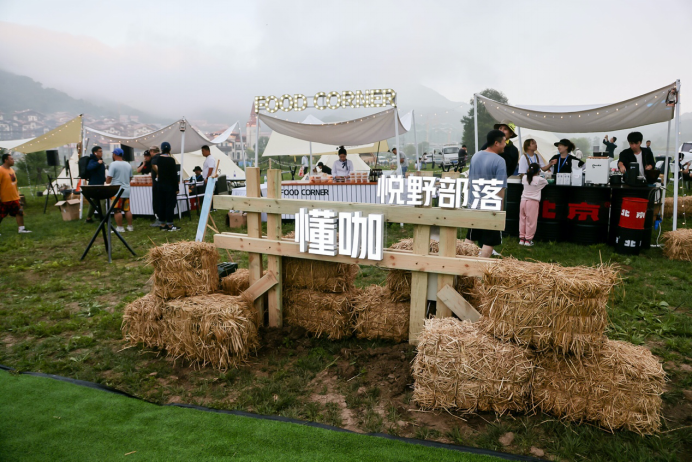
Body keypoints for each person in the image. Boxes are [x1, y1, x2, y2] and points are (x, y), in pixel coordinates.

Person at [465, 129, 508, 258]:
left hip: (474, 204)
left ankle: (463, 266)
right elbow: (500, 188)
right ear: (496, 143)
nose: (505, 144)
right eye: (504, 142)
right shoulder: (500, 161)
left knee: (470, 238)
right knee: (489, 241)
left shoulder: (476, 156)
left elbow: (470, 181)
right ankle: (479, 271)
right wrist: (500, 212)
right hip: (491, 207)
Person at [0, 153, 31, 234]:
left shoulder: (11, 170)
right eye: (11, 159)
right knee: (1, 215)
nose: (13, 160)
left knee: (19, 212)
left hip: (14, 197)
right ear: (5, 160)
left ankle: (21, 229)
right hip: (5, 198)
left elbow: (14, 183)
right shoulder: (0, 170)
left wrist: (18, 194)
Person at [152, 141, 180, 231]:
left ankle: (162, 224)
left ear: (162, 149)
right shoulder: (171, 160)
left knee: (161, 204)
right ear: (170, 149)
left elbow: (153, 166)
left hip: (160, 185)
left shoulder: (158, 159)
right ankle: (170, 225)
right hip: (170, 186)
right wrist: (176, 188)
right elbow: (174, 175)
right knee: (169, 205)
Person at [519, 163, 548, 247]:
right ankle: (528, 240)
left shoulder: (524, 177)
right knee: (531, 221)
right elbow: (546, 182)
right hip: (532, 202)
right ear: (538, 171)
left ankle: (522, 238)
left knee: (522, 220)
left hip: (523, 201)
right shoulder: (539, 179)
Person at [106, 148, 134, 233]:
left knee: (117, 210)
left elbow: (109, 177)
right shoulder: (128, 164)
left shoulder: (113, 164)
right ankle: (130, 226)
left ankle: (120, 227)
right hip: (126, 190)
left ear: (114, 154)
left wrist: (107, 185)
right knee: (127, 209)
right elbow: (130, 177)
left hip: (117, 190)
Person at [85, 145, 107, 224]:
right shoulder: (93, 160)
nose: (101, 153)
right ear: (95, 153)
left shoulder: (99, 160)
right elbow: (89, 168)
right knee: (102, 201)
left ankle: (88, 218)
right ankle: (104, 218)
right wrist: (98, 163)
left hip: (99, 183)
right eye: (100, 151)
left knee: (94, 201)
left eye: (101, 151)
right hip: (95, 184)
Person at [148, 146, 162, 227]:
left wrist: (158, 173)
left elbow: (153, 165)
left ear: (152, 151)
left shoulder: (155, 158)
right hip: (162, 184)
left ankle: (158, 219)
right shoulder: (162, 156)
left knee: (156, 201)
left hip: (156, 184)